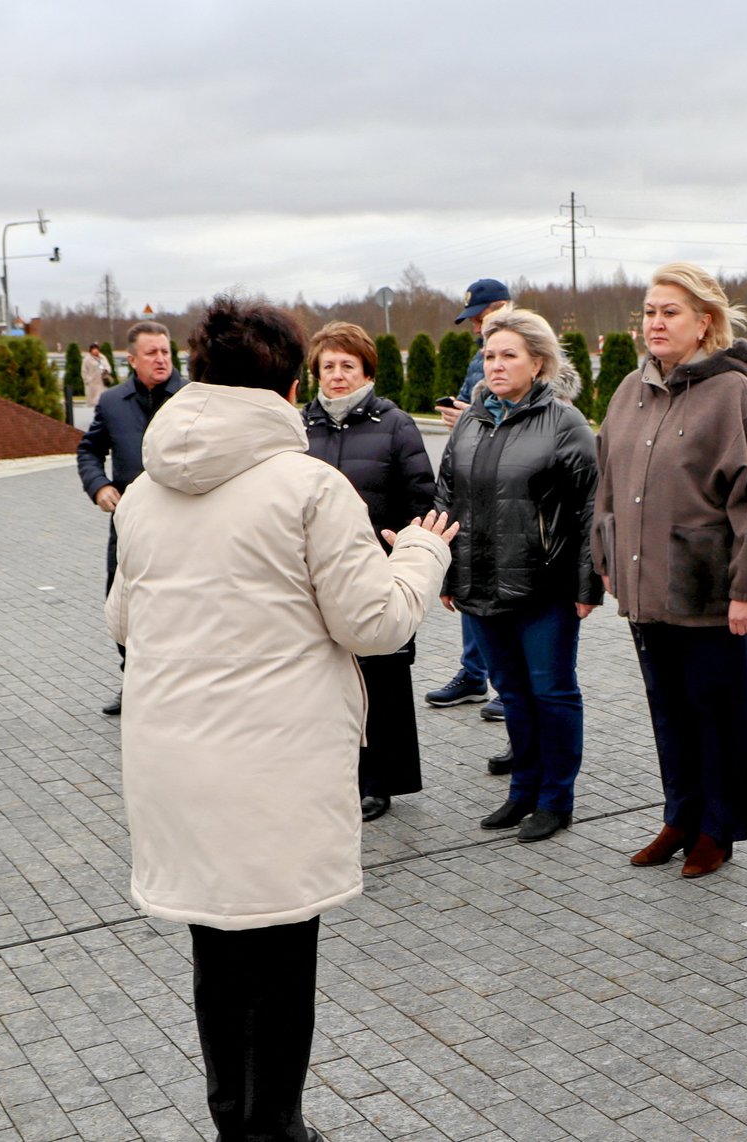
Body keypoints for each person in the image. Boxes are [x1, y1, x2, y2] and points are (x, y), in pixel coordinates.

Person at [106, 294, 456, 1142]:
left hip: (173, 761)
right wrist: (420, 551)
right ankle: (275, 1127)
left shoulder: (149, 492)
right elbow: (373, 624)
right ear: (289, 380)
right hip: (277, 761)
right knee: (282, 958)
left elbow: (121, 622)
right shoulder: (308, 486)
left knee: (216, 954)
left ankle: (235, 1121)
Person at [593, 263, 747, 878]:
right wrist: (608, 557)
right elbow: (608, 487)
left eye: (670, 311)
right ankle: (681, 815)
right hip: (646, 585)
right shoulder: (628, 391)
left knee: (716, 712)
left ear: (705, 322)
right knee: (668, 707)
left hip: (709, 589)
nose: (656, 322)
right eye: (649, 311)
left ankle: (718, 831)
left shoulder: (734, 396)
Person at [436, 308, 601, 843]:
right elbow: (447, 498)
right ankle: (522, 792)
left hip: (543, 589)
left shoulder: (564, 423)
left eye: (510, 355)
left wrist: (586, 584)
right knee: (511, 691)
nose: (497, 364)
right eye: (489, 354)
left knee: (551, 693)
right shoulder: (470, 420)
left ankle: (556, 800)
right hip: (480, 585)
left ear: (538, 362)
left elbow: (590, 510)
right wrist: (444, 571)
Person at [303, 321, 436, 822]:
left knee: (382, 677)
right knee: (324, 676)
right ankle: (336, 774)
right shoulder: (301, 426)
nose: (337, 375)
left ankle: (380, 780)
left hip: (374, 567)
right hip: (317, 574)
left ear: (366, 370)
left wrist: (404, 547)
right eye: (329, 366)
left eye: (348, 366)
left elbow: (421, 496)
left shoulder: (395, 424)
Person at [77, 320, 186, 716]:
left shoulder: (191, 399)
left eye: (166, 352)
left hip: (183, 523)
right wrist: (99, 486)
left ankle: (177, 687)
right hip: (129, 525)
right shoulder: (112, 402)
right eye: (152, 353)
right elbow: (88, 450)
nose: (161, 360)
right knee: (123, 603)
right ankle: (133, 682)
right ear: (132, 358)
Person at [426, 277, 514, 723]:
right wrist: (458, 416)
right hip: (475, 480)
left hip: (509, 487)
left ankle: (507, 684)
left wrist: (476, 416)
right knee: (471, 579)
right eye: (475, 322)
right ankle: (474, 673)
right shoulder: (479, 355)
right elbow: (469, 405)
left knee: (506, 590)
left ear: (502, 307)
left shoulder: (528, 347)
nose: (476, 328)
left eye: (481, 317)